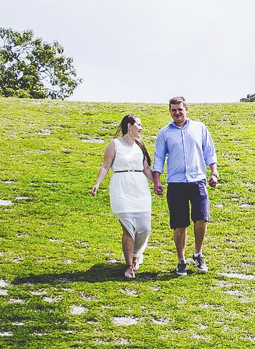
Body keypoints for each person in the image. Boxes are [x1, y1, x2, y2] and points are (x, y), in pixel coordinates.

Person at [152, 96, 218, 276]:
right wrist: (156, 181)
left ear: (186, 109)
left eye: (180, 109)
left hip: (197, 180)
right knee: (179, 223)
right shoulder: (164, 133)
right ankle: (181, 260)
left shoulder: (199, 128)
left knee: (202, 218)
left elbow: (209, 151)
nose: (177, 113)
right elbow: (158, 158)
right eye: (173, 110)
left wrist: (214, 172)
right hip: (176, 183)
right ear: (170, 111)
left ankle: (198, 254)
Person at [90, 114, 154, 280]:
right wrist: (97, 183)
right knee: (128, 228)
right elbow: (105, 166)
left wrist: (156, 183)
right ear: (129, 126)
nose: (141, 128)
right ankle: (129, 266)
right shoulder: (114, 144)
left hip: (139, 188)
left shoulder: (140, 145)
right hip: (121, 187)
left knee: (145, 228)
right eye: (138, 125)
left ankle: (135, 255)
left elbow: (146, 168)